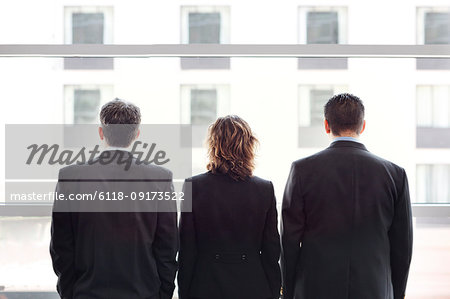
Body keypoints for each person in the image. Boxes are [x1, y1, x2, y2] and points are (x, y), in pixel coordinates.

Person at [281, 93, 413, 299]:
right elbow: (402, 247)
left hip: (315, 288)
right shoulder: (395, 174)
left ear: (326, 125)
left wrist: (288, 292)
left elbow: (289, 241)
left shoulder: (302, 170)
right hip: (374, 288)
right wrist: (396, 293)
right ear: (363, 126)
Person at [50, 99, 178, 299]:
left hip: (87, 293)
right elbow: (167, 249)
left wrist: (70, 294)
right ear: (136, 134)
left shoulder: (70, 176)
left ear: (101, 133)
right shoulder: (160, 178)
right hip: (143, 294)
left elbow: (61, 248)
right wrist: (163, 294)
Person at [178, 115, 281, 299]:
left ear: (213, 145)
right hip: (253, 286)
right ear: (248, 145)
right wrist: (273, 291)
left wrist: (185, 292)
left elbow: (186, 249)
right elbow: (271, 250)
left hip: (205, 286)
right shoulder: (264, 188)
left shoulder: (193, 186)